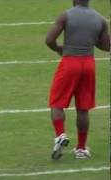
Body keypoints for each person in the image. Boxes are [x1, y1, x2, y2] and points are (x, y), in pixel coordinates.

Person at [45, 0, 110, 160]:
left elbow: (49, 40)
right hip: (88, 64)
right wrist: (90, 39)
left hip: (70, 62)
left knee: (57, 103)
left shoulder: (66, 15)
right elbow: (106, 46)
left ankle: (60, 134)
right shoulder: (100, 19)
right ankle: (81, 149)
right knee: (83, 108)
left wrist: (59, 49)